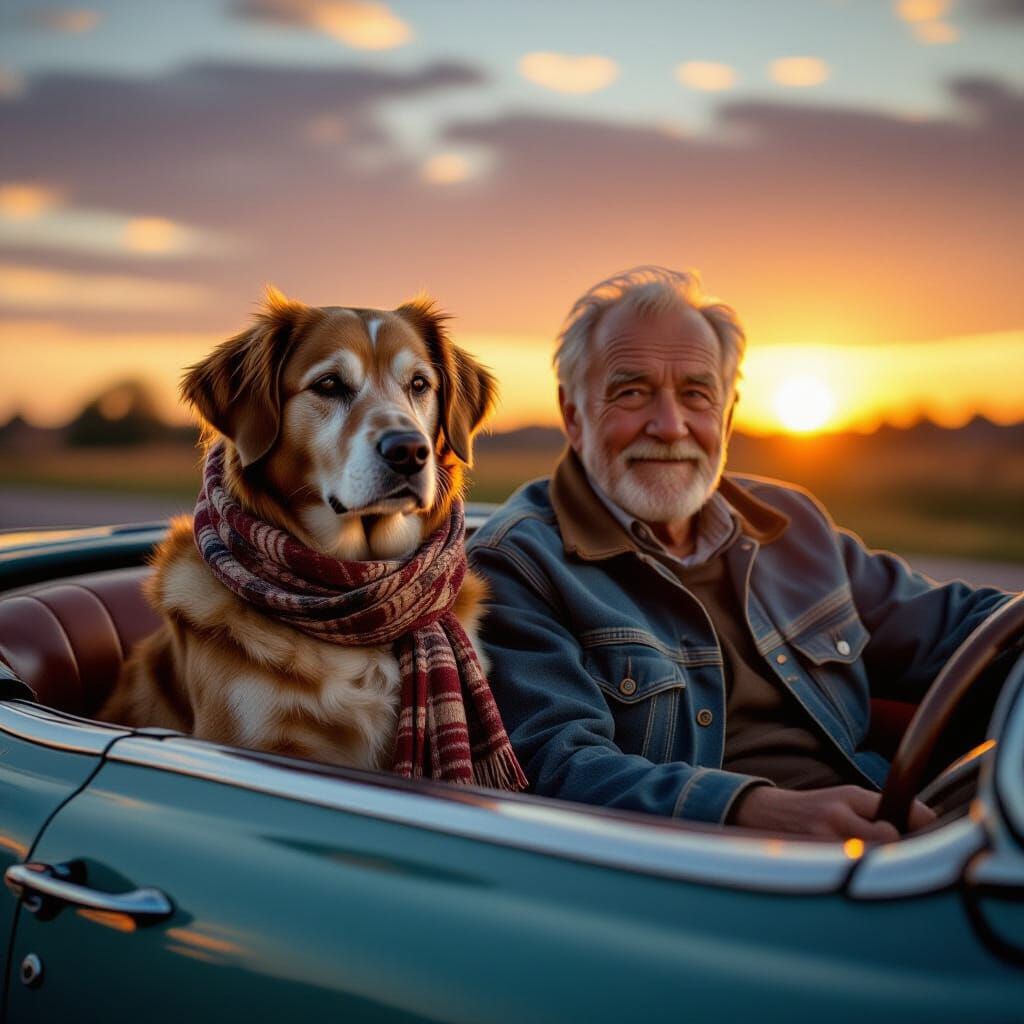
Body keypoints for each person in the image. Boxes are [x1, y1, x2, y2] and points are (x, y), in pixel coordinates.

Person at [467, 265, 1011, 841]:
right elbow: (555, 764)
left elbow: (962, 629)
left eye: (697, 394)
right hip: (722, 872)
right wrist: (754, 809)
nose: (670, 425)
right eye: (632, 392)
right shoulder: (518, 564)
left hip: (897, 831)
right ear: (574, 415)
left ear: (726, 413)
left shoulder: (791, 523)